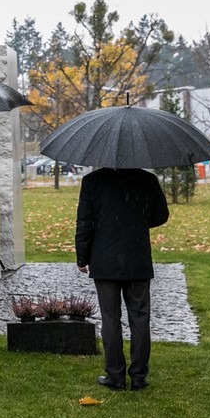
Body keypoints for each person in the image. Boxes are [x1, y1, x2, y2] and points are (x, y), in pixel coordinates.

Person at [75, 167, 169, 392]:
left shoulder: (93, 181)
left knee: (110, 319)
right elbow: (161, 215)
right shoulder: (146, 179)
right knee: (140, 317)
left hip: (105, 259)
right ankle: (138, 376)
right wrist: (135, 220)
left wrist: (82, 256)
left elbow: (84, 222)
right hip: (136, 257)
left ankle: (115, 376)